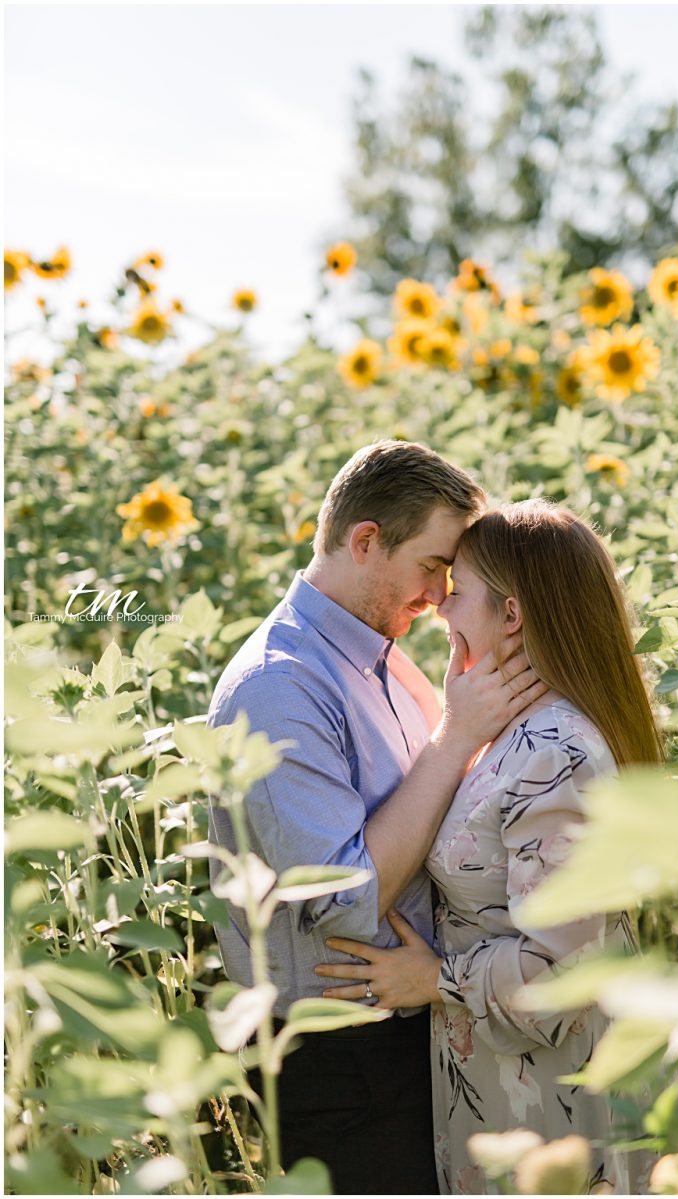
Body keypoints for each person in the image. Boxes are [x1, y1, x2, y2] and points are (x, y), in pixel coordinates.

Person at [208, 440, 545, 1195]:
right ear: (365, 541)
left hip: (408, 1023)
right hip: (339, 1061)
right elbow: (347, 900)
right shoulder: (280, 690)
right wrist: (457, 734)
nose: (439, 594)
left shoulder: (384, 656)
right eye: (432, 565)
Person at [313, 500, 662, 1195]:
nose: (441, 607)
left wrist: (433, 978)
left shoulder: (555, 751)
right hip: (502, 1085)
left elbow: (563, 973)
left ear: (511, 616)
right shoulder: (513, 729)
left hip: (549, 1108)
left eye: (459, 589)